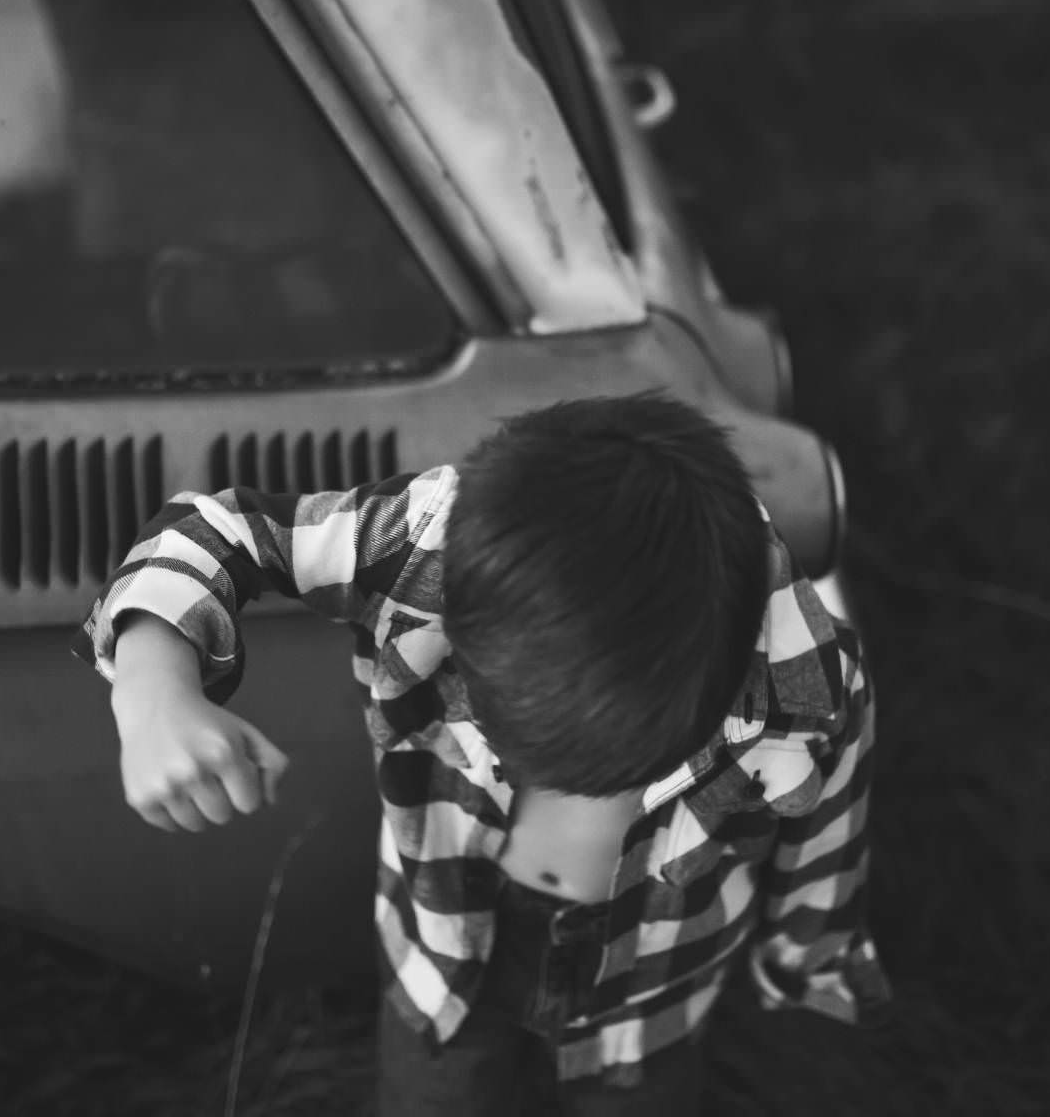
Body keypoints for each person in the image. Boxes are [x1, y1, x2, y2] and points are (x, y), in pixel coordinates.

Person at [77, 391, 889, 1115]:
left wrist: (806, 963)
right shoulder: (428, 543)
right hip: (446, 939)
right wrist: (154, 686)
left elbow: (826, 843)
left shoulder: (809, 684)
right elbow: (220, 530)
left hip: (656, 984)